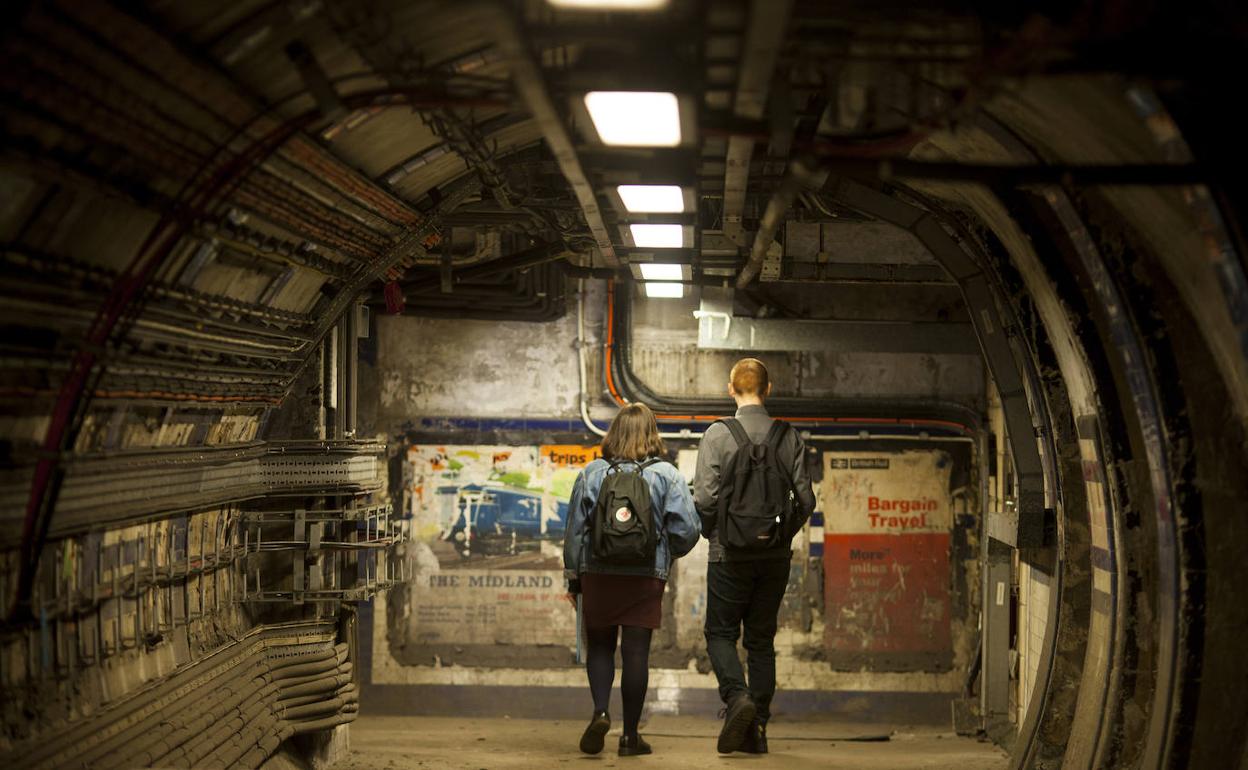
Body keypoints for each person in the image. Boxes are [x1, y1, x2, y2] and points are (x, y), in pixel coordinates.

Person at [693, 358, 817, 754]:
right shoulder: (788, 436)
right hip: (774, 558)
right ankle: (757, 728)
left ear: (731, 389)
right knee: (761, 640)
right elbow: (806, 499)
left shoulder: (718, 434)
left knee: (721, 633)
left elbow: (705, 498)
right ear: (769, 388)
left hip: (727, 554)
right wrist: (780, 536)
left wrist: (718, 534)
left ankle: (736, 698)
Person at [563, 402, 701, 757]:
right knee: (636, 652)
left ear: (614, 433)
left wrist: (574, 579)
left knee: (601, 646)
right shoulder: (666, 474)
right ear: (651, 434)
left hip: (598, 573)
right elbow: (687, 529)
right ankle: (630, 737)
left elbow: (575, 533)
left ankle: (600, 711)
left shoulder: (591, 473)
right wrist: (664, 554)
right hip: (644, 575)